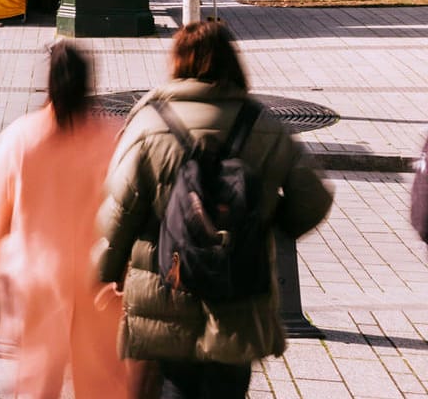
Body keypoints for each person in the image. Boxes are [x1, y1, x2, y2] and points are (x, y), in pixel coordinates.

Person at [99, 21, 334, 399]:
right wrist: (266, 220)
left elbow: (119, 211)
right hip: (238, 294)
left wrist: (106, 273)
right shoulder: (263, 124)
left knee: (171, 384)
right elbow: (314, 198)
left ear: (178, 64)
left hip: (164, 291)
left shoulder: (149, 124)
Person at [0, 42, 131, 399]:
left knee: (36, 381)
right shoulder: (111, 138)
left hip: (34, 281)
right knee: (103, 383)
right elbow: (130, 206)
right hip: (99, 283)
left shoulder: (21, 138)